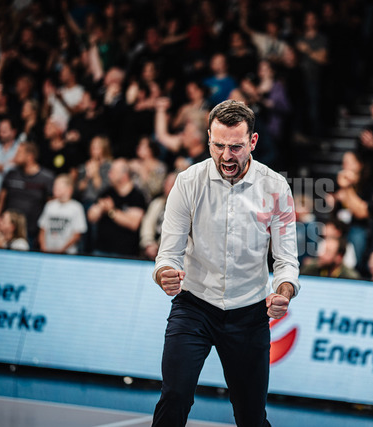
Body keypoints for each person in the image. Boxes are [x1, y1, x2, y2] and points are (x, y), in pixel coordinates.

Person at [151, 100, 299, 427]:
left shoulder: (275, 187)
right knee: (174, 396)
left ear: (253, 141)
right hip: (194, 306)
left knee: (251, 416)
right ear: (208, 139)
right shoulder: (188, 182)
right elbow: (168, 254)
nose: (226, 156)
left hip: (249, 313)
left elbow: (287, 260)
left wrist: (284, 292)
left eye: (235, 147)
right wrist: (164, 274)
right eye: (218, 146)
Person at [0, 141, 54, 247]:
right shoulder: (11, 174)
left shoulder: (46, 178)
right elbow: (0, 202)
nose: (15, 156)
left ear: (30, 156)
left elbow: (50, 208)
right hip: (8, 232)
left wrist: (42, 235)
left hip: (32, 233)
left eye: (19, 153)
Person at [87, 158, 146, 257]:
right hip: (101, 251)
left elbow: (133, 223)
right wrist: (100, 209)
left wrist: (111, 211)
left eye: (113, 171)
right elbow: (91, 217)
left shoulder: (137, 196)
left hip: (125, 254)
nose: (109, 174)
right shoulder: (107, 192)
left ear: (124, 175)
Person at [37, 174, 87, 255]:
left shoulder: (76, 207)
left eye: (58, 187)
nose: (54, 189)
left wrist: (61, 250)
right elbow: (42, 229)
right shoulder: (49, 205)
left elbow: (77, 234)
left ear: (69, 189)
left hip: (67, 254)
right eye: (54, 186)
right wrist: (43, 248)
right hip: (47, 252)